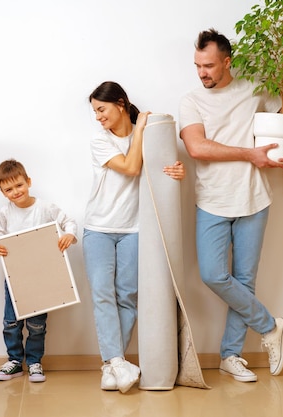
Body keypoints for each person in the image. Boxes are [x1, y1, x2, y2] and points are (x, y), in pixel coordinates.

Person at [178, 29, 283, 383]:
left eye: (208, 65)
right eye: (197, 65)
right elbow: (197, 148)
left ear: (227, 61)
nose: (202, 72)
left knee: (245, 281)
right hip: (212, 201)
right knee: (212, 275)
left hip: (255, 198)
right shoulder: (191, 100)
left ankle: (230, 356)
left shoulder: (256, 89)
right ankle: (270, 326)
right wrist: (249, 154)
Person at [83, 81, 185, 393]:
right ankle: (115, 362)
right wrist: (139, 129)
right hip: (98, 228)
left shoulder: (150, 136)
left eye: (101, 109)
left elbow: (159, 168)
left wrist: (177, 172)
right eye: (95, 112)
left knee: (127, 297)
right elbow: (130, 167)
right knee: (103, 295)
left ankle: (112, 366)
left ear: (121, 104)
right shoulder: (99, 142)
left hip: (133, 231)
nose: (98, 117)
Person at [0, 158, 77, 383]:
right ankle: (15, 361)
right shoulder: (4, 213)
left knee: (37, 325)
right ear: (2, 192)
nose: (15, 192)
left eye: (19, 185)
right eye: (8, 189)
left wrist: (69, 234)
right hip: (15, 278)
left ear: (28, 181)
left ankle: (35, 362)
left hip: (41, 278)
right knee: (11, 322)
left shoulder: (45, 208)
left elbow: (69, 222)